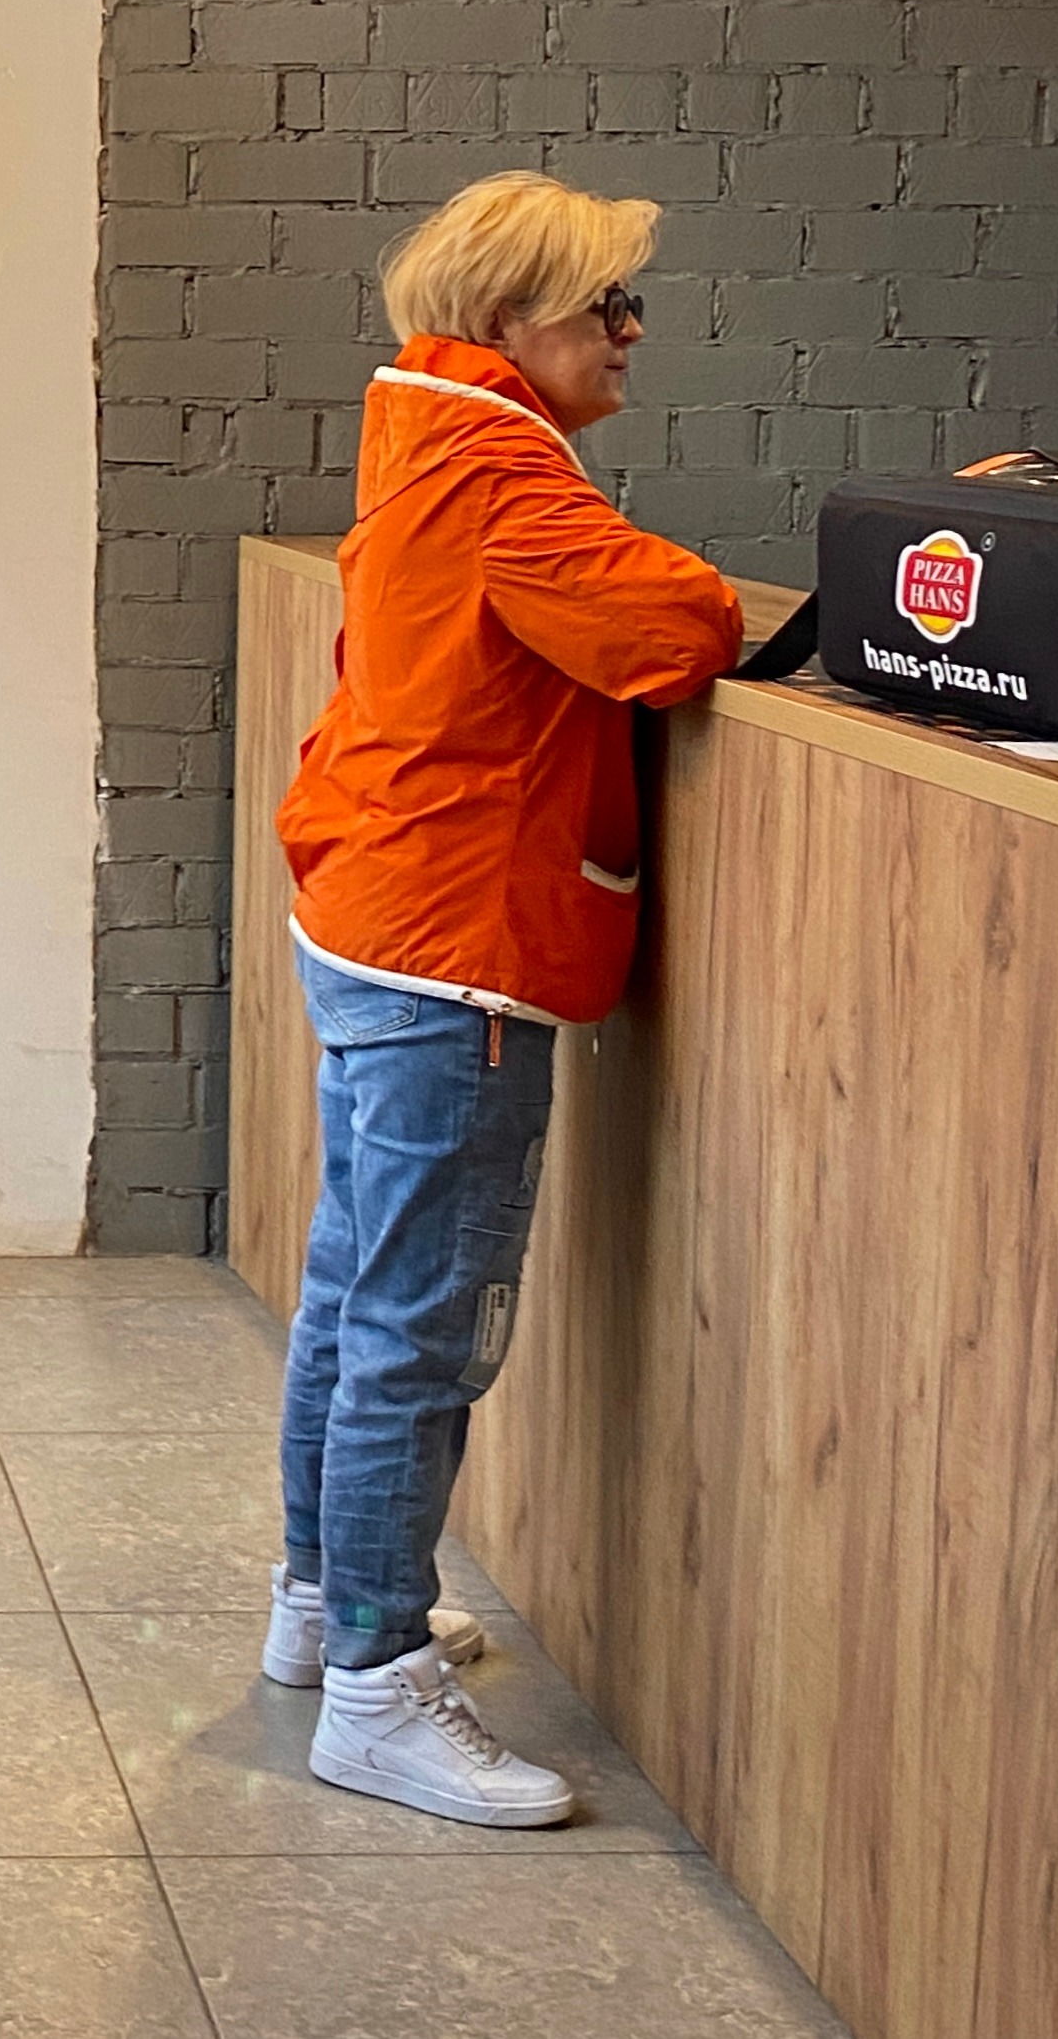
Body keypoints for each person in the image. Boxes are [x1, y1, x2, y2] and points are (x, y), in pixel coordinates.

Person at [264, 172, 744, 1827]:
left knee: (354, 1297)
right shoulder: (494, 465)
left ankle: (325, 1605)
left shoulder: (430, 434)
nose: (631, 334)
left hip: (379, 913)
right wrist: (699, 595)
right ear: (508, 318)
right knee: (418, 1328)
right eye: (607, 306)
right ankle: (377, 1688)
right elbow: (676, 626)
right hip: (451, 946)